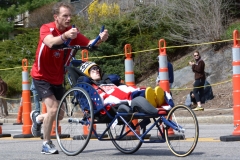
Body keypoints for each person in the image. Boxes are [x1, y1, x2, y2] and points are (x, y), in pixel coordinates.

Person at [30, 2, 109, 154]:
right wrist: (65, 36)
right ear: (56, 17)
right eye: (64, 16)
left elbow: (89, 44)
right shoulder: (47, 28)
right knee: (53, 109)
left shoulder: (73, 33)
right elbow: (50, 42)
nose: (68, 19)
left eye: (70, 16)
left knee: (59, 114)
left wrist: (100, 38)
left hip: (58, 77)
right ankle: (46, 143)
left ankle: (39, 118)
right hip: (41, 76)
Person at [78, 61, 174, 111]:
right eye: (93, 69)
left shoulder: (107, 80)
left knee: (129, 88)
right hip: (107, 96)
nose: (97, 70)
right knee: (119, 93)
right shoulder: (90, 86)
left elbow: (117, 80)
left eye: (97, 68)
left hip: (115, 89)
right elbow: (82, 81)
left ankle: (156, 97)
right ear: (87, 74)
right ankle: (147, 97)